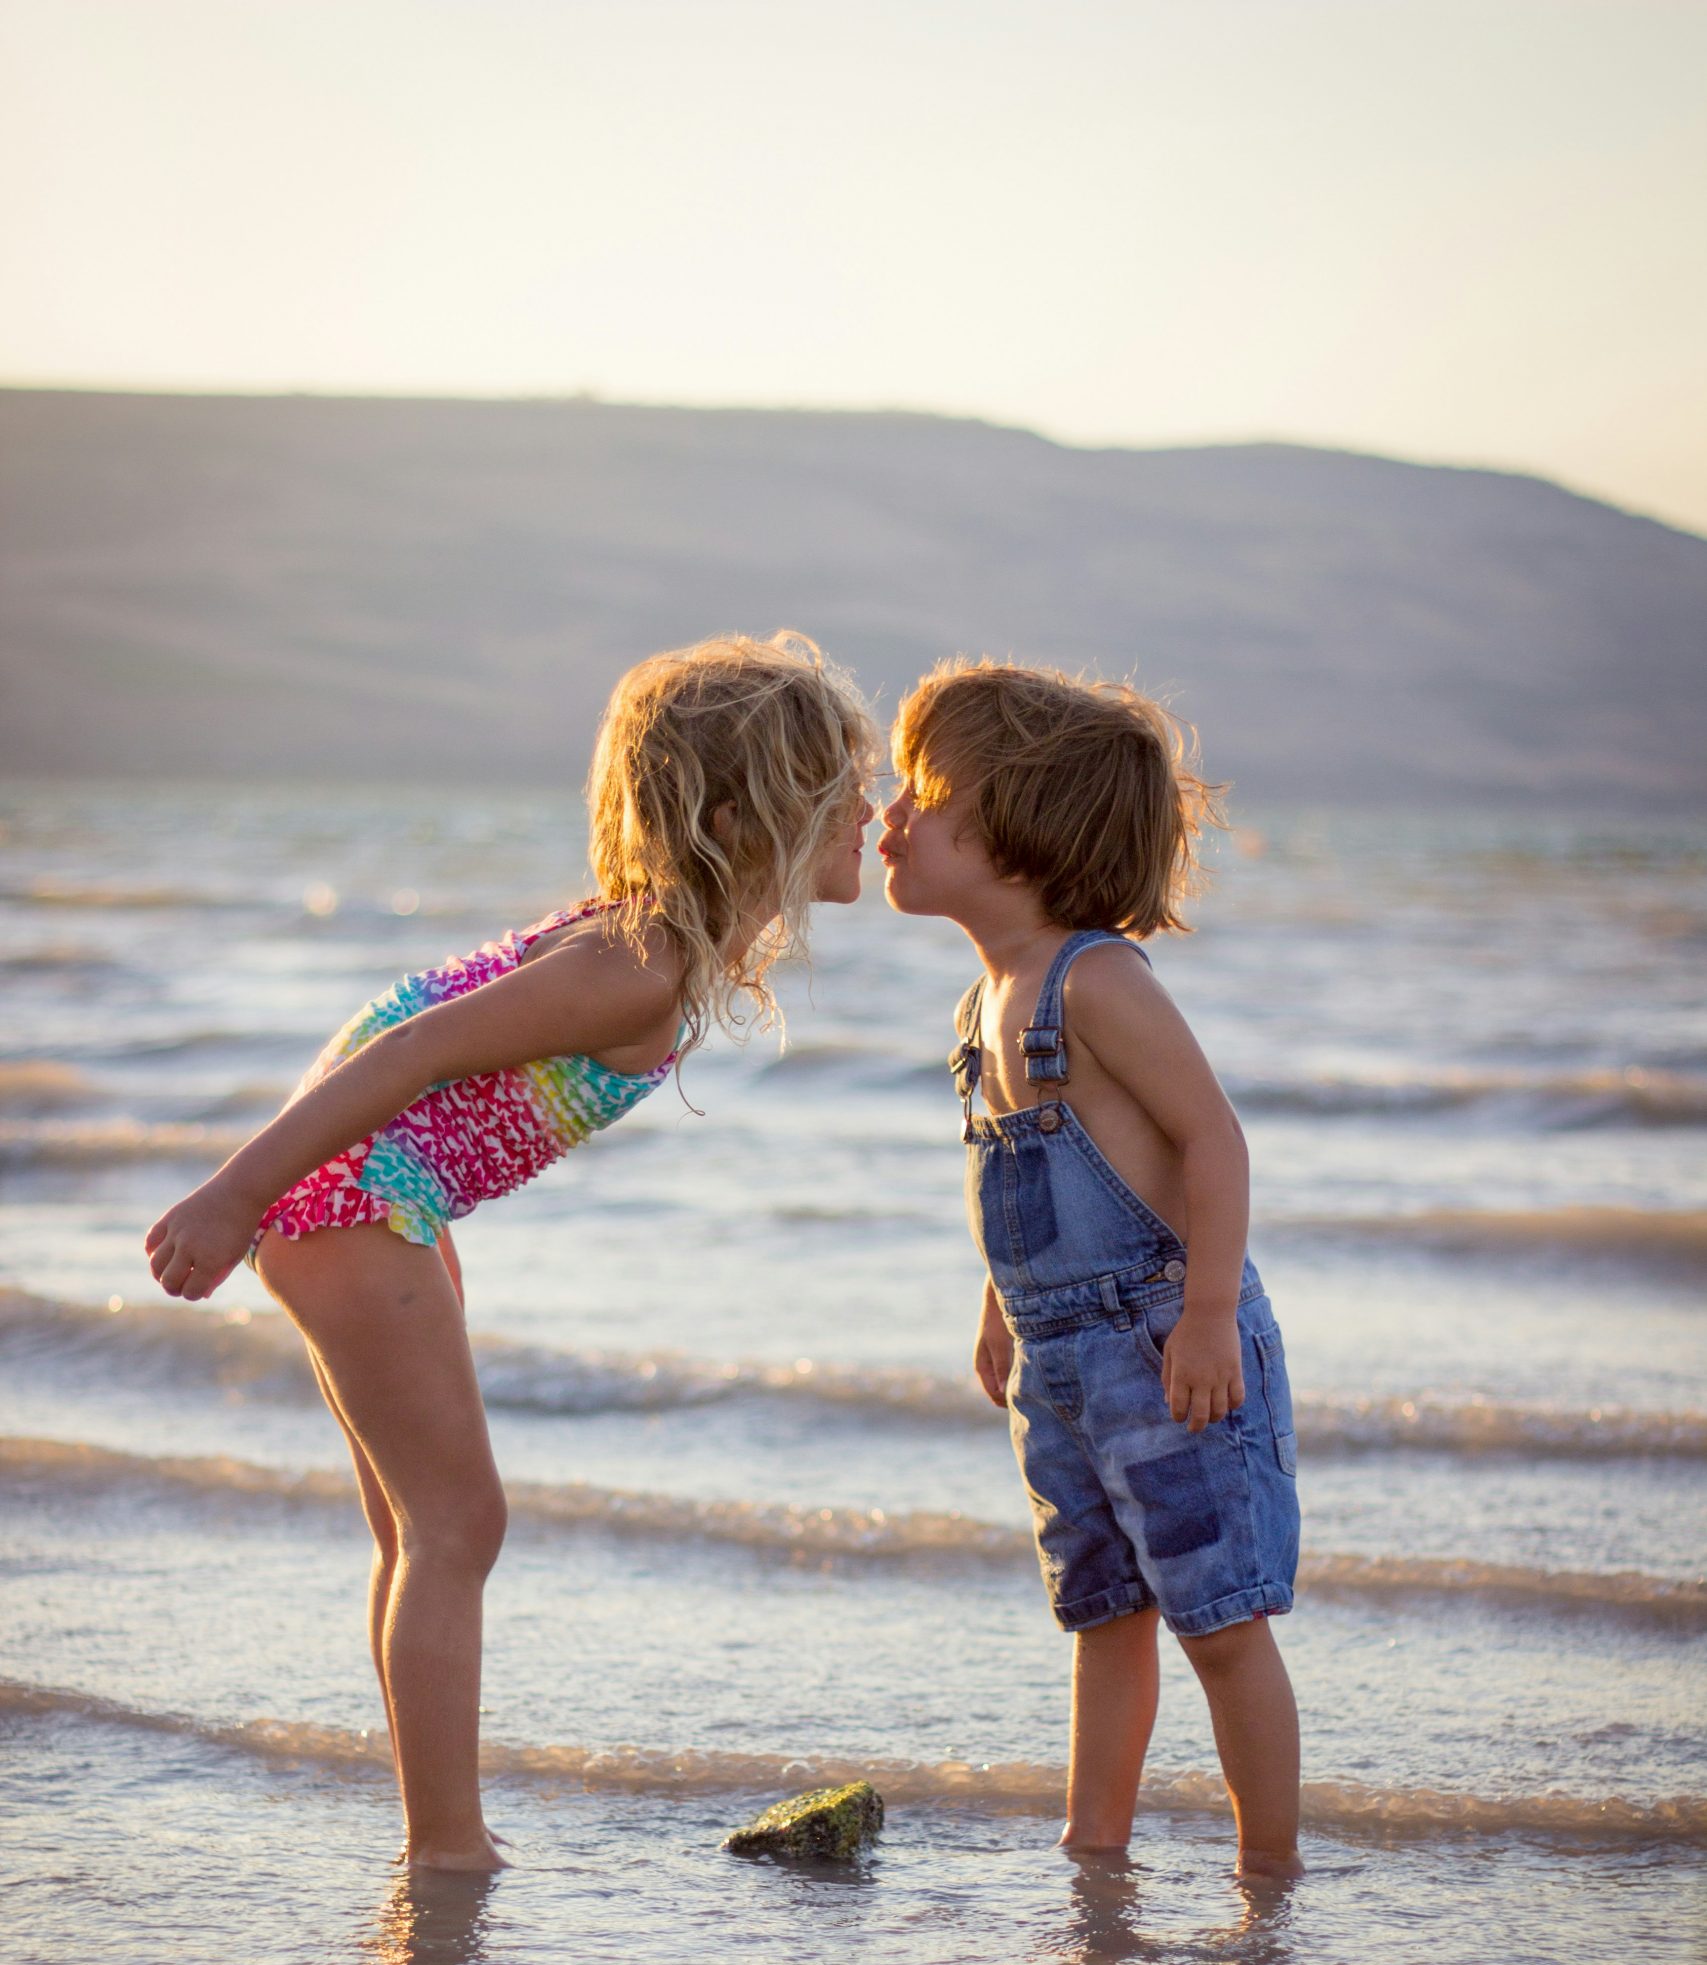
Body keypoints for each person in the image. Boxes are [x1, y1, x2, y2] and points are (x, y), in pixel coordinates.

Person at [146, 633, 878, 1872]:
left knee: (419, 1533)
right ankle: (446, 1847)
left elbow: (407, 1061)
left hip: (386, 1204)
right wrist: (235, 1194)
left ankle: (436, 1827)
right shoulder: (634, 966)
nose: (875, 808)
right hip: (355, 1201)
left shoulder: (645, 945)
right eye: (845, 786)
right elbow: (406, 1052)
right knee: (457, 1525)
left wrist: (403, 1216)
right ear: (756, 812)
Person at [880, 661, 1303, 1880]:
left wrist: (1212, 1315)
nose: (887, 817)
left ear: (1017, 827)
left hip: (1167, 1351)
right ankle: (1094, 1850)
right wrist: (1000, 1302)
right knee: (1101, 1613)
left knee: (1221, 1621)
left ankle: (1269, 1865)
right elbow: (1025, 1185)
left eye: (922, 793)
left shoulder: (1098, 980)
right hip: (1058, 1361)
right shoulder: (981, 1004)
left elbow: (1210, 1139)